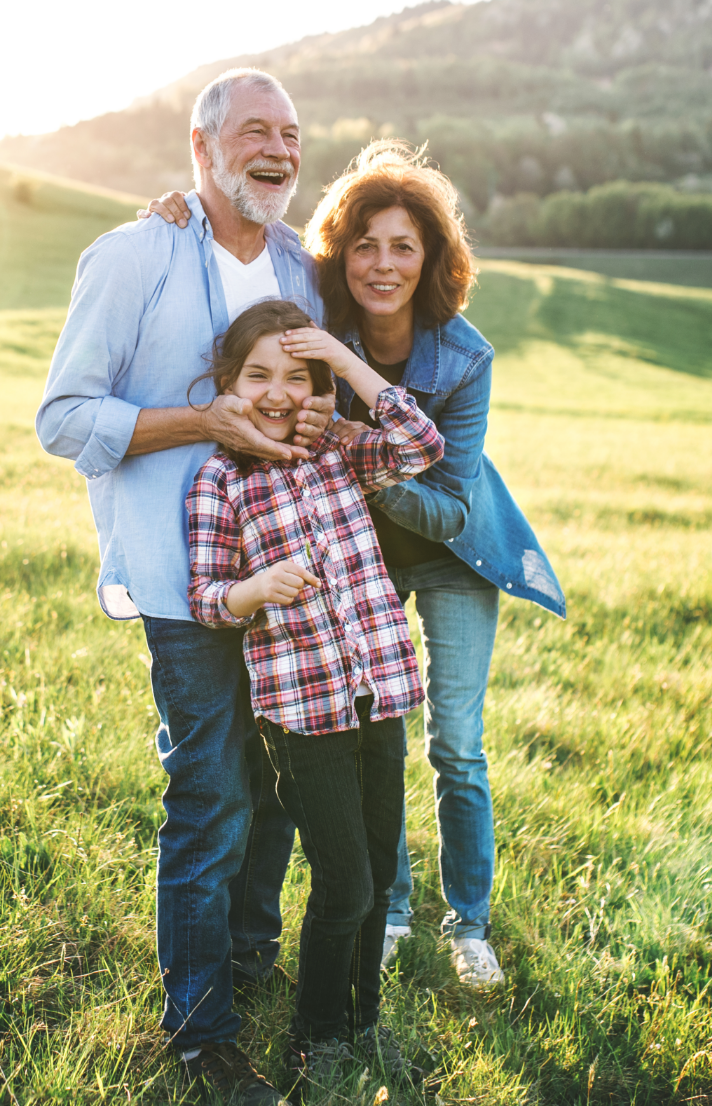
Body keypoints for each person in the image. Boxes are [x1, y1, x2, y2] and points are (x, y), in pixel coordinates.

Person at [145, 142, 565, 990]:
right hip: (357, 563)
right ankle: (391, 908)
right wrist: (178, 211)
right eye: (365, 244)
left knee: (457, 746)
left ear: (431, 258)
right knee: (379, 740)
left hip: (447, 548)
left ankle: (469, 922)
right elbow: (247, 235)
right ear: (342, 251)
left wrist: (351, 444)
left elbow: (443, 491)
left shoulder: (462, 356)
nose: (382, 264)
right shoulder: (312, 324)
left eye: (404, 246)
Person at [36, 68, 336, 1106]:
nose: (279, 147)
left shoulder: (305, 267)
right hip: (185, 581)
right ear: (201, 150)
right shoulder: (132, 255)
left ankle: (248, 961)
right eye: (255, 129)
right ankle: (203, 1026)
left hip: (291, 583)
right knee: (210, 791)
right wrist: (202, 421)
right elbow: (66, 419)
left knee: (280, 793)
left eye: (292, 133)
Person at [185, 298, 443, 1092]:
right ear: (228, 383)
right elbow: (204, 596)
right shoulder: (219, 481)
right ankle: (315, 1038)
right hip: (303, 716)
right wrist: (255, 588)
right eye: (258, 374)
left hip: (381, 695)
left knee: (376, 875)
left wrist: (343, 356)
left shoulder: (336, 451)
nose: (277, 391)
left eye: (298, 376)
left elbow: (418, 444)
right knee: (348, 883)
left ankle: (365, 1023)